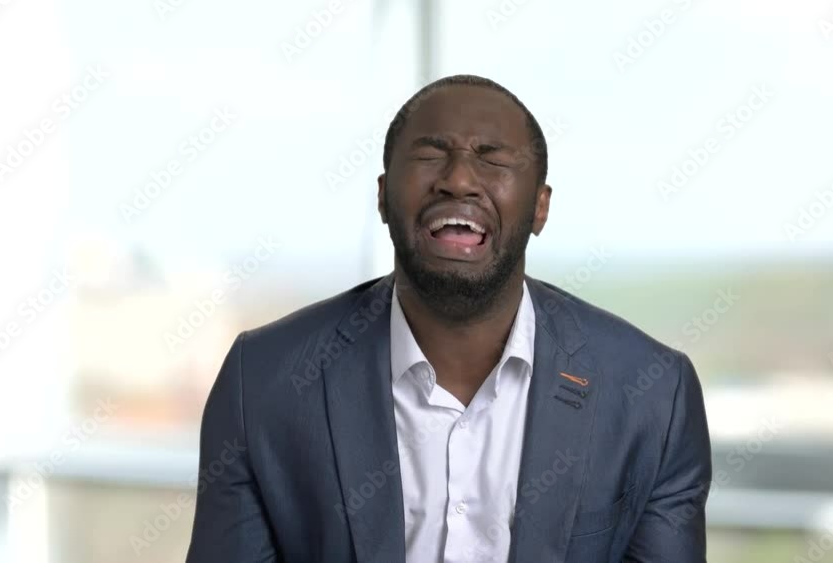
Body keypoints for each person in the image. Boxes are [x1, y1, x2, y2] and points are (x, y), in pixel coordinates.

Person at [186, 74, 711, 563]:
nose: (458, 179)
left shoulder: (652, 396)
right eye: (430, 155)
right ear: (382, 197)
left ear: (540, 208)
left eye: (492, 159)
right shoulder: (263, 381)